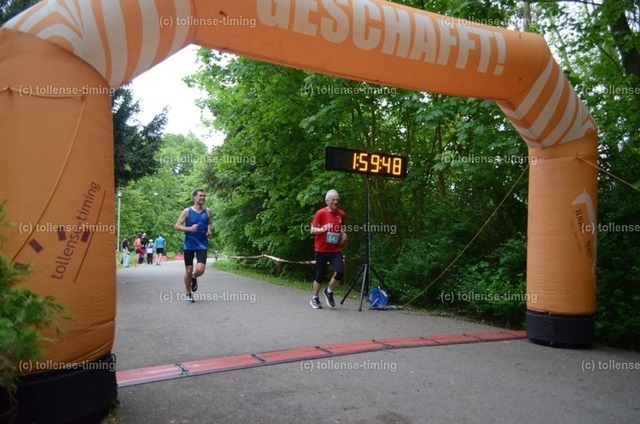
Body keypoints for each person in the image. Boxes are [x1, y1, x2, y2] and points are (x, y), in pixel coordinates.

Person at [309, 189, 347, 309]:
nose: (336, 202)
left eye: (337, 199)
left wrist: (344, 234)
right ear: (327, 201)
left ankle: (329, 291)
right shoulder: (321, 213)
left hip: (335, 250)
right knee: (320, 275)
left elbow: (341, 228)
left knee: (340, 272)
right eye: (333, 200)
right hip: (321, 249)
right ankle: (315, 298)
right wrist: (323, 229)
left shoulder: (341, 214)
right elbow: (312, 230)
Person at [175, 188, 212, 303]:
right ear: (194, 197)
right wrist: (189, 229)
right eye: (200, 196)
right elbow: (177, 226)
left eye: (204, 196)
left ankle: (194, 277)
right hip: (189, 245)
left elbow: (209, 223)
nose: (203, 198)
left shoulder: (208, 211)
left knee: (200, 269)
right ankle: (188, 293)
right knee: (188, 270)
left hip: (202, 244)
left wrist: (209, 230)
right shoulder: (187, 211)